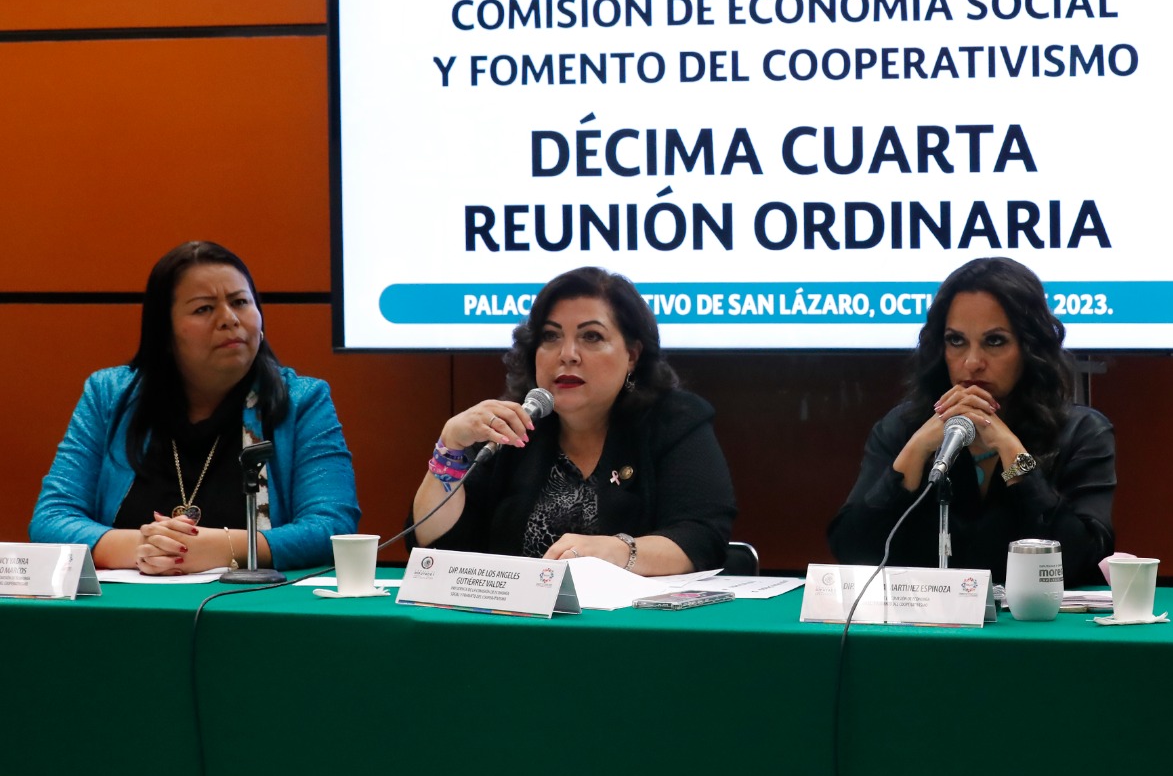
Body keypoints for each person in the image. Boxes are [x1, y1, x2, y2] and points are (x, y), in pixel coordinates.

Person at [31, 241, 360, 573]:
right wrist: (147, 546)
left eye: (240, 302)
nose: (229, 319)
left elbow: (332, 527)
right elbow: (51, 519)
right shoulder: (110, 395)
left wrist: (224, 548)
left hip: (252, 602)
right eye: (204, 309)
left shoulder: (303, 401)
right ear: (165, 331)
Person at [409, 266, 735, 573]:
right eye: (551, 336)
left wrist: (617, 552)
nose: (567, 354)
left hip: (633, 613)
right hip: (519, 612)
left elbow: (701, 538)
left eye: (591, 336)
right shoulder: (511, 429)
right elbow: (433, 545)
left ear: (632, 355)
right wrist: (450, 446)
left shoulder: (673, 421)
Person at [828, 257, 1116, 585]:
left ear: (1030, 347)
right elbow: (852, 550)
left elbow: (1082, 559)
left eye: (994, 341)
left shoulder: (1081, 432)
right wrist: (917, 450)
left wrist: (1010, 452)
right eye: (956, 341)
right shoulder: (903, 427)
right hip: (923, 617)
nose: (972, 362)